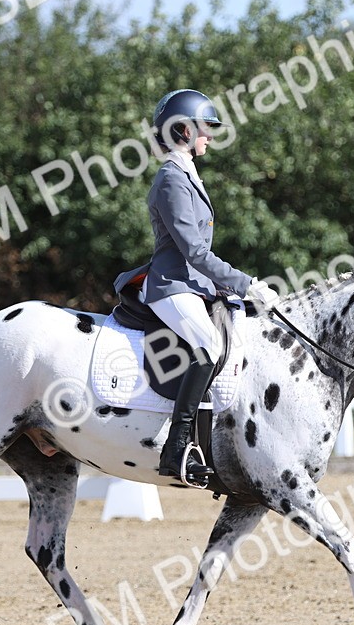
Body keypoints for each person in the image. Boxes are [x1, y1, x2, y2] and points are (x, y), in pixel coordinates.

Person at [113, 89, 279, 485]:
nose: (210, 137)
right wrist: (245, 284)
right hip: (171, 285)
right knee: (208, 347)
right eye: (206, 129)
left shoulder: (185, 174)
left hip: (192, 283)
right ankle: (176, 449)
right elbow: (193, 251)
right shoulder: (171, 179)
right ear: (184, 131)